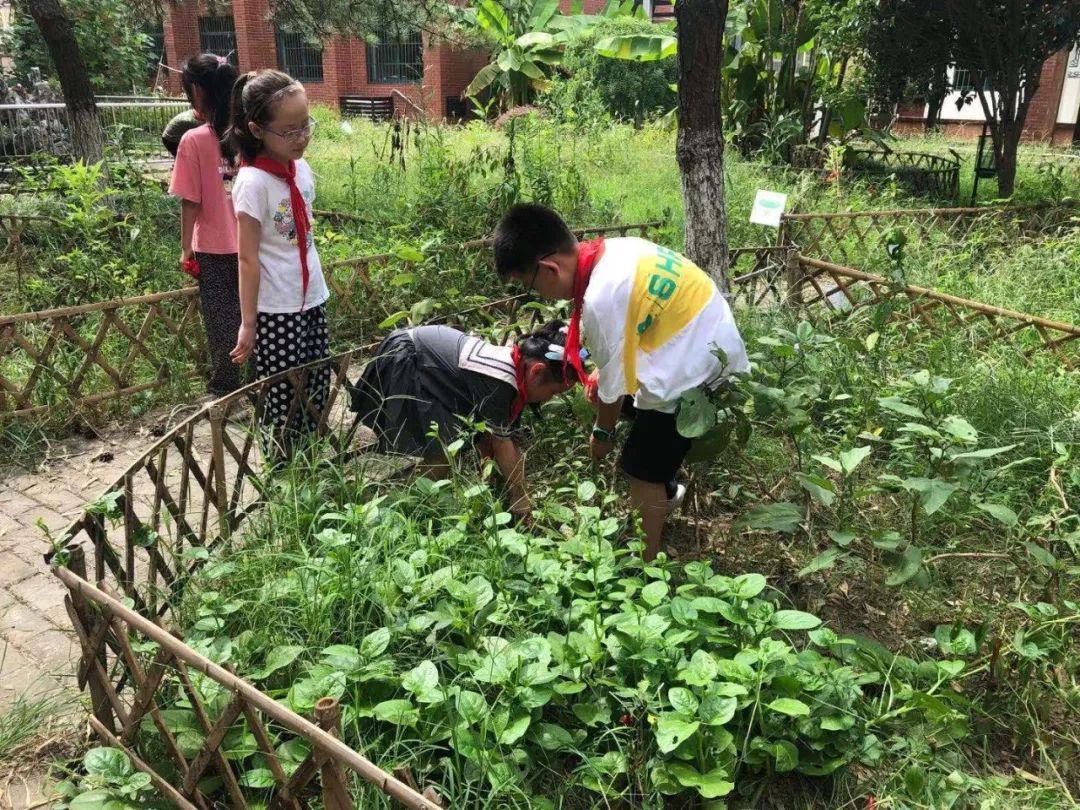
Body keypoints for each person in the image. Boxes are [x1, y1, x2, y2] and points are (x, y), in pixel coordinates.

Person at [494, 204, 749, 560]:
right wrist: (609, 378)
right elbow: (636, 326)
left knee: (639, 468)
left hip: (693, 369)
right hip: (709, 342)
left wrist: (602, 434)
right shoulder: (617, 250)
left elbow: (611, 391)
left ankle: (648, 563)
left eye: (530, 286)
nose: (539, 295)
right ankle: (665, 483)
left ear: (549, 269)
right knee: (614, 399)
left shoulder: (600, 298)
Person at [349, 321, 581, 519]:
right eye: (553, 392)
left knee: (453, 445)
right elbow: (502, 444)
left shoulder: (515, 367)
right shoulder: (500, 380)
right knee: (442, 453)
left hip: (430, 363)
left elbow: (492, 436)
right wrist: (520, 497)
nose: (550, 398)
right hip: (410, 358)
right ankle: (404, 510)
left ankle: (412, 501)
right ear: (537, 372)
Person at [226, 69, 330, 452]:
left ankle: (315, 454)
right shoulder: (253, 184)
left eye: (306, 126)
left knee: (318, 380)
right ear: (256, 130)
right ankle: (283, 464)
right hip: (277, 309)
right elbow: (247, 260)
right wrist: (248, 324)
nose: (301, 138)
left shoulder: (301, 170)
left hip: (312, 297)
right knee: (282, 390)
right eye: (289, 131)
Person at [168, 54, 243, 399]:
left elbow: (190, 200)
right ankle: (263, 377)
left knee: (222, 319)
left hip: (213, 249)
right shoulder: (250, 135)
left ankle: (227, 386)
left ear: (197, 92)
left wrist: (185, 248)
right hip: (255, 245)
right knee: (256, 310)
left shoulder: (193, 141)